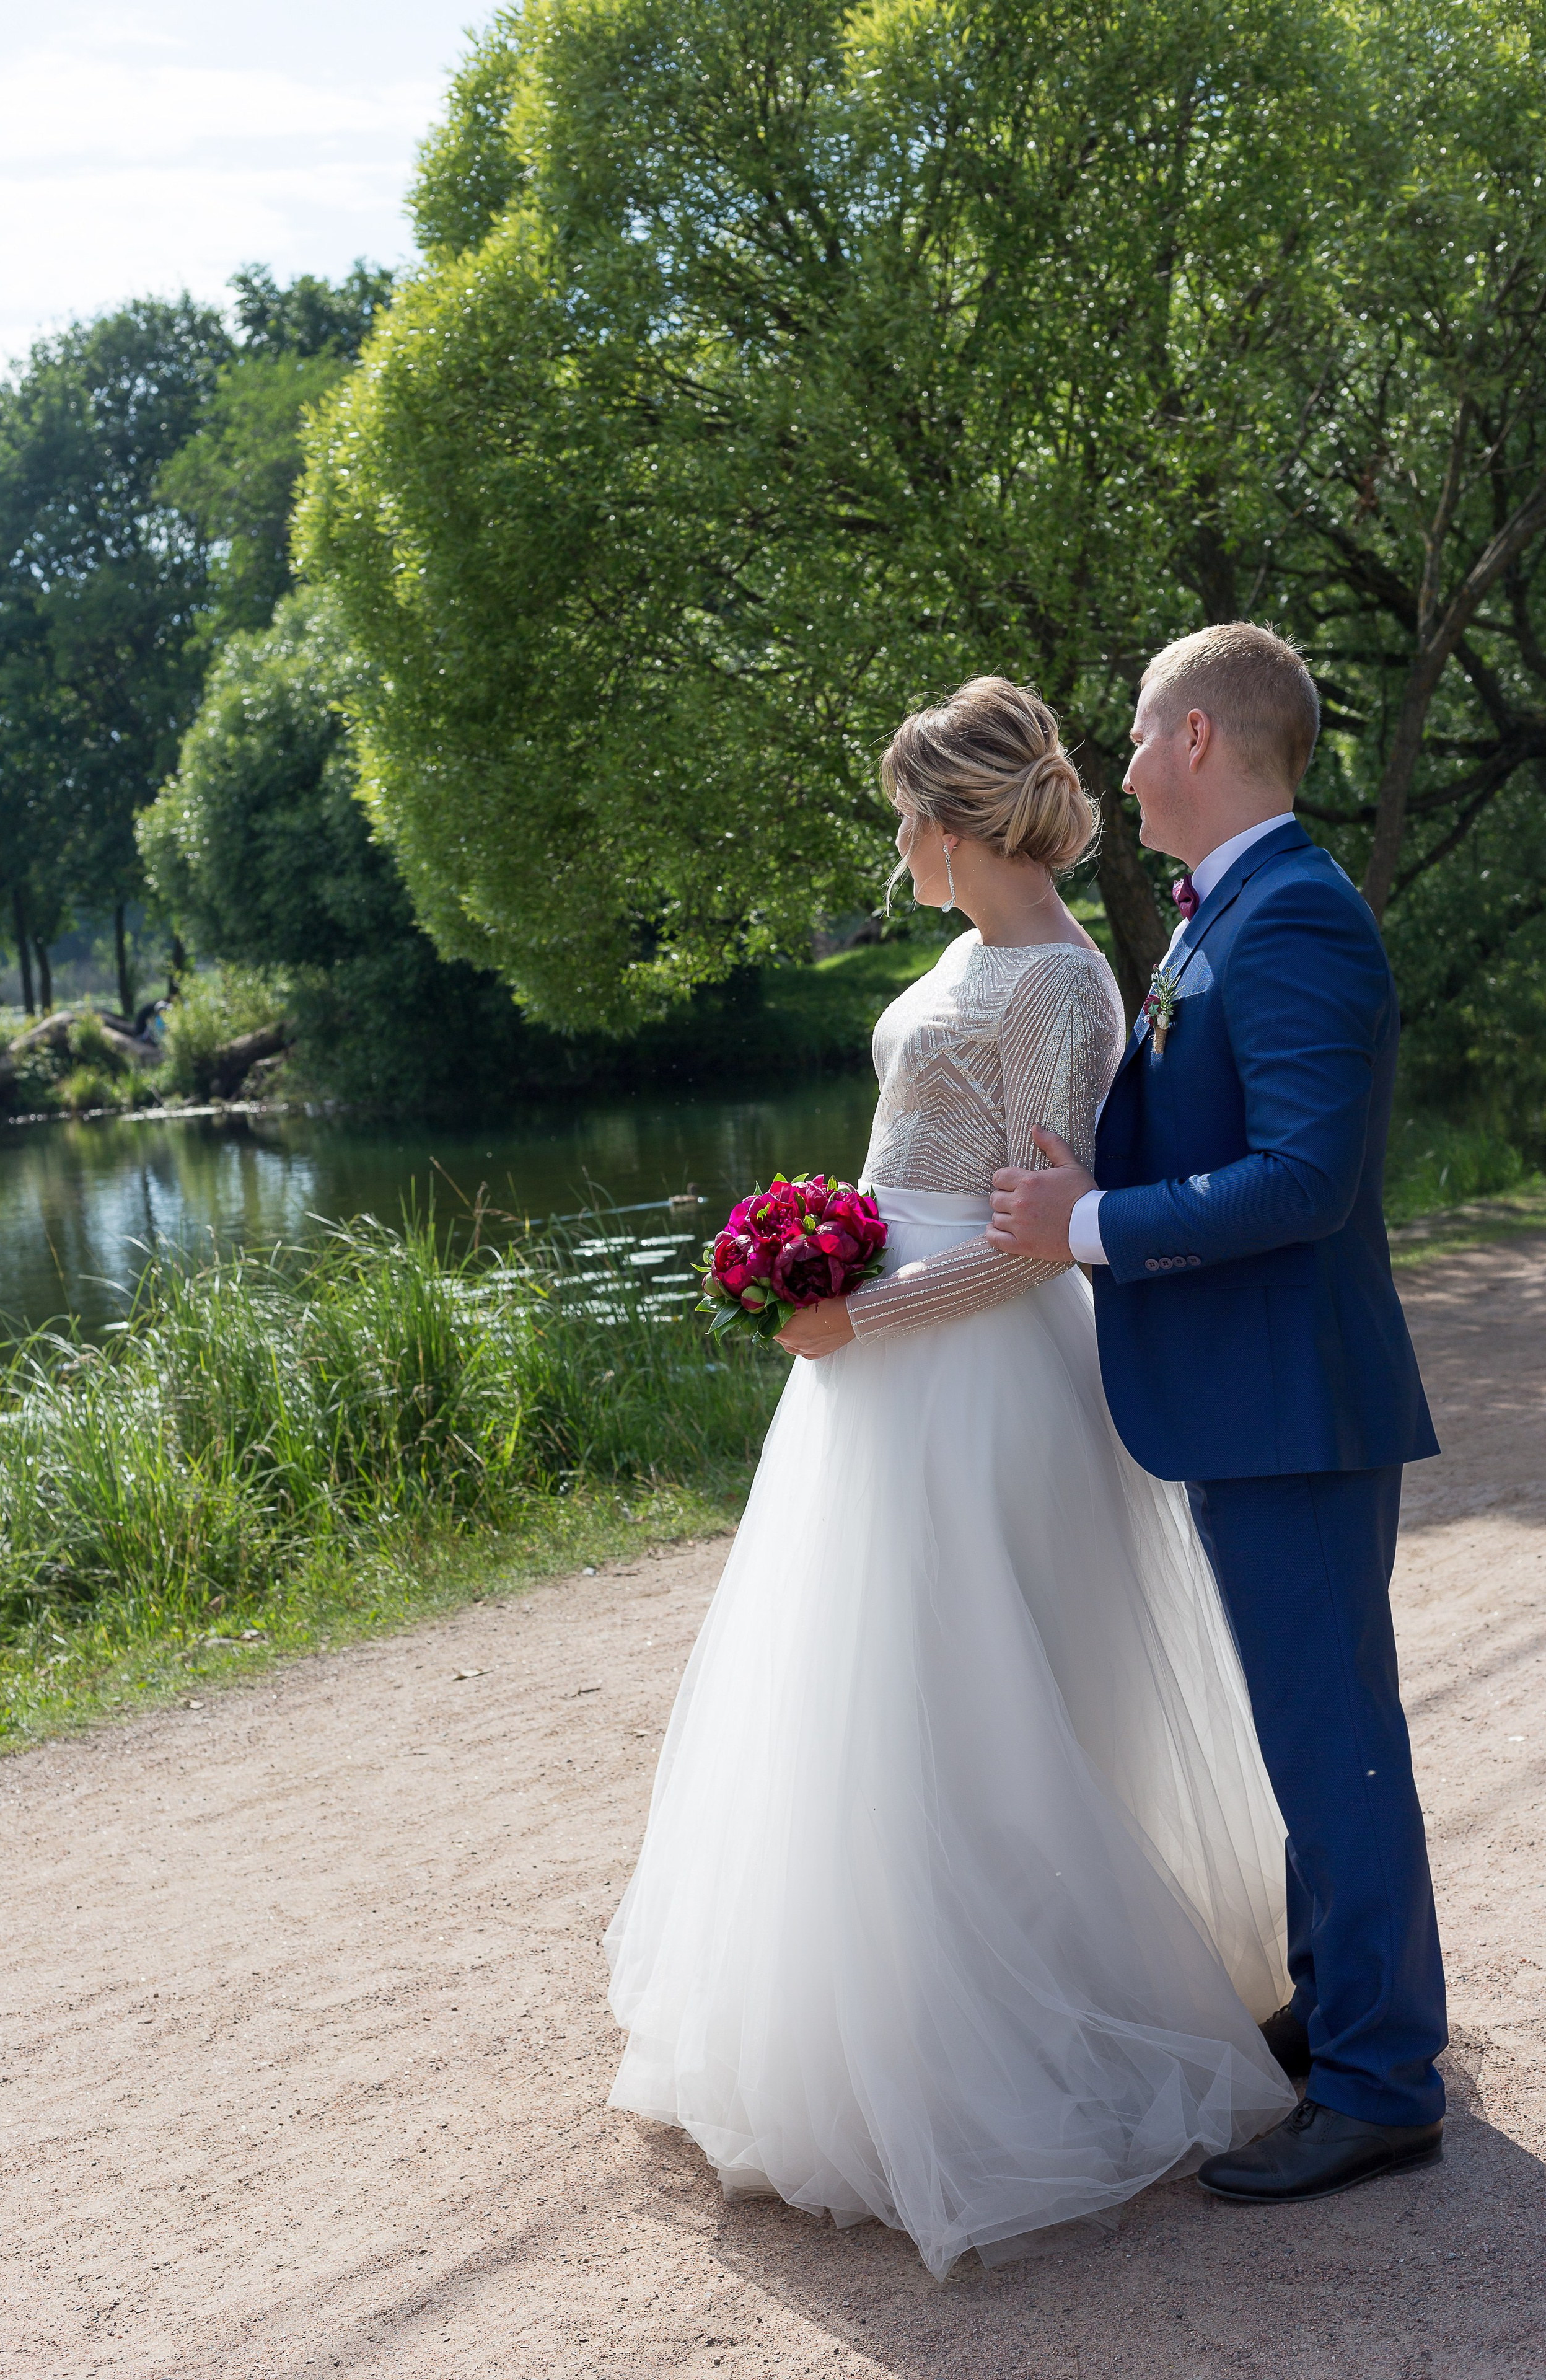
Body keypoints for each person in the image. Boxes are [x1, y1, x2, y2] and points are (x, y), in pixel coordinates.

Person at [605, 677, 1298, 2280]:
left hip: (971, 1370)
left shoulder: (1060, 981)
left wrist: (865, 1314)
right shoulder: (963, 955)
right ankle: (875, 2019)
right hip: (872, 1370)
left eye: (904, 809)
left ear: (955, 816)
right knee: (862, 1700)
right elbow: (907, 1159)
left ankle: (1024, 2038)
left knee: (977, 1694)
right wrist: (813, 1253)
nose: (896, 839)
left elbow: (1033, 1236)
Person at [986, 624, 1447, 2204]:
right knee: (1304, 1734)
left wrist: (1086, 1228)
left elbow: (1308, 1182)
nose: (1113, 768)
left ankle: (1384, 2078)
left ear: (1195, 738)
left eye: (1129, 736)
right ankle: (1336, 2017)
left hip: (1291, 1406)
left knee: (1334, 1745)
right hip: (1249, 1402)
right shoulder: (1221, 914)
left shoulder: (1295, 915)